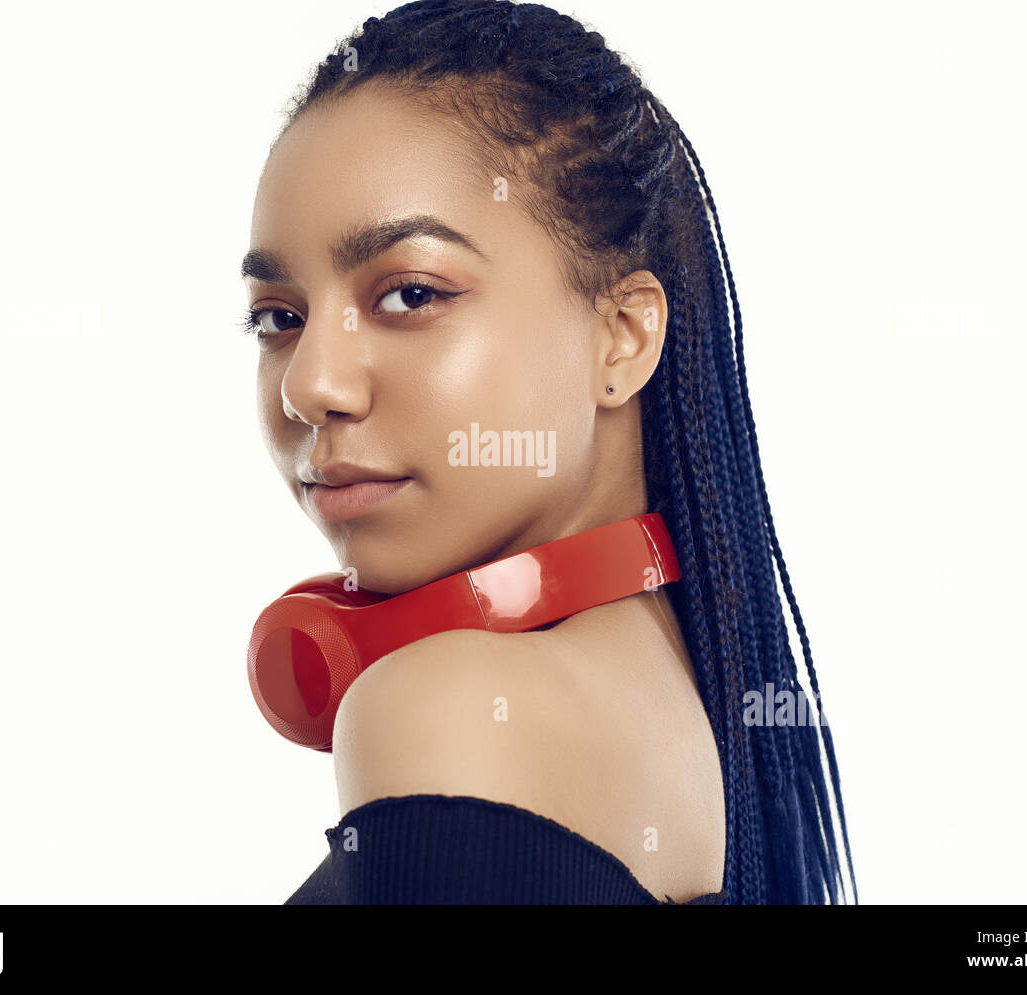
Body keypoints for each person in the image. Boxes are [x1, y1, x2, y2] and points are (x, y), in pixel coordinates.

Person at [240, 0, 856, 904]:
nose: (311, 384)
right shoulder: (681, 693)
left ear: (621, 337)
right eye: (278, 318)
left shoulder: (445, 710)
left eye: (410, 293)